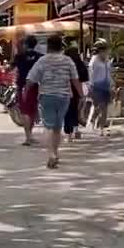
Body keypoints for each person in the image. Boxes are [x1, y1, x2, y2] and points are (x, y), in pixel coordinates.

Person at [26, 35, 82, 169]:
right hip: (64, 97)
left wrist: (25, 91)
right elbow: (75, 79)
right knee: (57, 126)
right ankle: (56, 152)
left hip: (47, 96)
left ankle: (51, 154)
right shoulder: (68, 61)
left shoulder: (42, 61)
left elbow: (31, 79)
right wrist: (82, 95)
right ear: (61, 47)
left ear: (48, 46)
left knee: (48, 126)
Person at [13, 36, 43, 144]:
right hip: (35, 86)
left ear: (26, 44)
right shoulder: (40, 57)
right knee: (32, 110)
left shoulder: (19, 56)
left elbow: (10, 68)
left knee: (25, 111)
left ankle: (28, 137)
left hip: (23, 86)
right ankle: (30, 134)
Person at [88, 39, 116, 137]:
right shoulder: (94, 60)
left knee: (104, 109)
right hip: (96, 86)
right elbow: (90, 73)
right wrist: (90, 86)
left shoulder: (107, 60)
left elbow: (109, 73)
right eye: (105, 50)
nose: (106, 52)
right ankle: (93, 120)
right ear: (100, 50)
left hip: (106, 86)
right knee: (99, 107)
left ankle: (101, 129)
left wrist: (112, 85)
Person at [63, 40, 89, 140]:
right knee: (75, 109)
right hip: (77, 89)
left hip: (66, 89)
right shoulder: (79, 62)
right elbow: (84, 77)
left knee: (67, 111)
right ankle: (76, 129)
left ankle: (69, 134)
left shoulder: (65, 62)